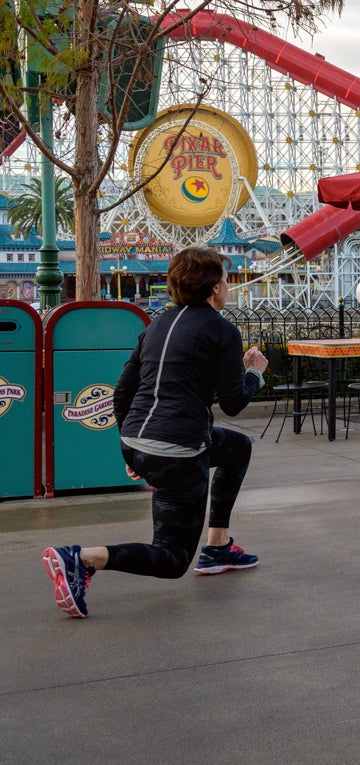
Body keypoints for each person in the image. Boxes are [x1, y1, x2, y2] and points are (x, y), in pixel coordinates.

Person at [42, 247, 269, 619]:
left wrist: (131, 449)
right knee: (172, 558)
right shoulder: (222, 330)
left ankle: (218, 545)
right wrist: (255, 373)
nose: (228, 287)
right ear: (213, 288)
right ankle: (82, 559)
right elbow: (233, 403)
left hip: (136, 441)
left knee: (237, 447)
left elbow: (122, 393)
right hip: (177, 452)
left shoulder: (157, 325)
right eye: (226, 280)